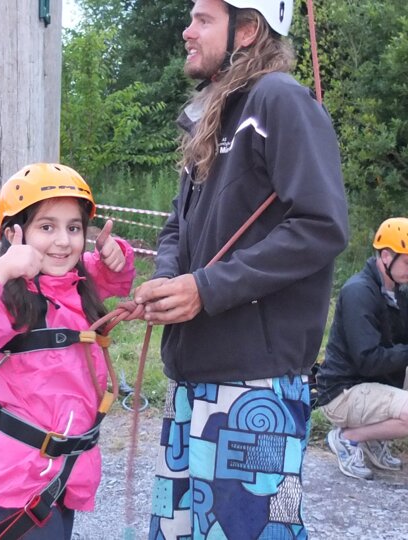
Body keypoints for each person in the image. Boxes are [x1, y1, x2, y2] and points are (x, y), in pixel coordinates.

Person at [132, 0, 349, 537]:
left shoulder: (281, 101)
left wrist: (206, 289)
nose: (187, 31)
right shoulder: (211, 113)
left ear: (248, 29)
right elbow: (177, 226)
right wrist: (166, 279)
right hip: (192, 377)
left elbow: (321, 226)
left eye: (203, 20)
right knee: (180, 530)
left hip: (255, 387)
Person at [0, 163, 135, 539]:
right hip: (16, 484)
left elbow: (114, 278)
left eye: (74, 228)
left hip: (63, 476)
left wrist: (115, 254)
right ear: (14, 234)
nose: (63, 241)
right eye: (47, 227)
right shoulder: (9, 299)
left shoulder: (75, 283)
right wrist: (0, 271)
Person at [316, 217, 408, 481]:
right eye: (407, 262)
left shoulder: (399, 292)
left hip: (371, 384)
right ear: (386, 256)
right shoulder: (359, 292)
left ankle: (375, 437)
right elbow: (368, 360)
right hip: (342, 393)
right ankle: (348, 437)